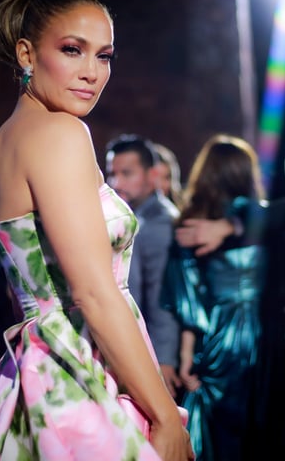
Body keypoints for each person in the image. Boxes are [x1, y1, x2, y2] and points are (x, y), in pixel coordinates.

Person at [0, 0, 193, 461]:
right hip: (79, 371)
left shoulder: (7, 140)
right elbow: (92, 294)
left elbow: (24, 289)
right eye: (71, 49)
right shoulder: (61, 133)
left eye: (104, 56)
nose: (92, 72)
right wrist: (166, 416)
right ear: (26, 53)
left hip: (35, 370)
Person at [161, 133, 268, 461]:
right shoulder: (257, 218)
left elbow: (188, 294)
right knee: (256, 424)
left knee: (211, 423)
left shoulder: (193, 220)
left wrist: (185, 355)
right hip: (263, 332)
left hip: (217, 333)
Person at [105, 134, 182, 398]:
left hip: (151, 356)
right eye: (112, 173)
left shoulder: (159, 222)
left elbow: (162, 296)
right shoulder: (135, 216)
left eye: (127, 173)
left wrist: (163, 359)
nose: (116, 182)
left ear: (154, 174)